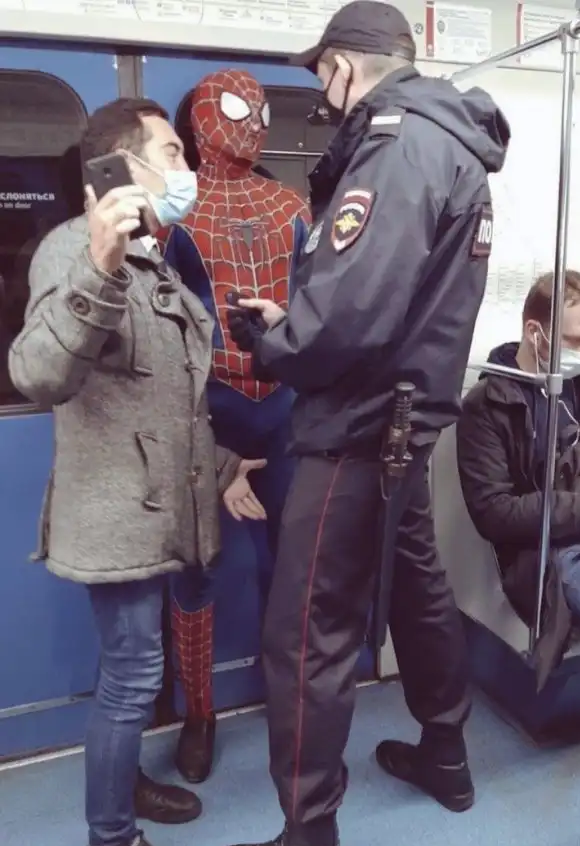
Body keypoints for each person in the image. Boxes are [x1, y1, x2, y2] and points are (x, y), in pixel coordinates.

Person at [214, 1, 511, 846]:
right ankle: (446, 752)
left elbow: (349, 318)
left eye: (322, 74)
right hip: (406, 422)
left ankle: (308, 842)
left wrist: (275, 341)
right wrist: (303, 319)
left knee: (309, 630)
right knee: (418, 586)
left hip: (355, 427)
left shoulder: (398, 146)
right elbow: (385, 298)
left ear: (344, 65)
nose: (323, 91)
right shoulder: (452, 142)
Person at [8, 97, 267, 846]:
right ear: (122, 167)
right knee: (131, 678)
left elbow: (170, 402)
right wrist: (98, 265)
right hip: (118, 516)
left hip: (161, 516)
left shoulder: (156, 256)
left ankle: (120, 788)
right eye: (172, 153)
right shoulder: (74, 249)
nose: (188, 168)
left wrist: (224, 466)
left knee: (131, 674)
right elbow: (36, 372)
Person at [162, 69, 310, 784]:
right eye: (233, 108)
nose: (253, 121)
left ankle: (292, 700)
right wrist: (208, 449)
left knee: (295, 565)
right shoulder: (171, 215)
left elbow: (318, 309)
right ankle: (199, 712)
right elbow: (160, 339)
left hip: (284, 407)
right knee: (195, 568)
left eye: (260, 108)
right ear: (200, 119)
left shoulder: (293, 207)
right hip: (204, 408)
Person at [457, 270, 580, 681]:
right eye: (574, 340)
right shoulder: (487, 407)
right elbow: (495, 514)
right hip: (551, 554)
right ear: (535, 332)